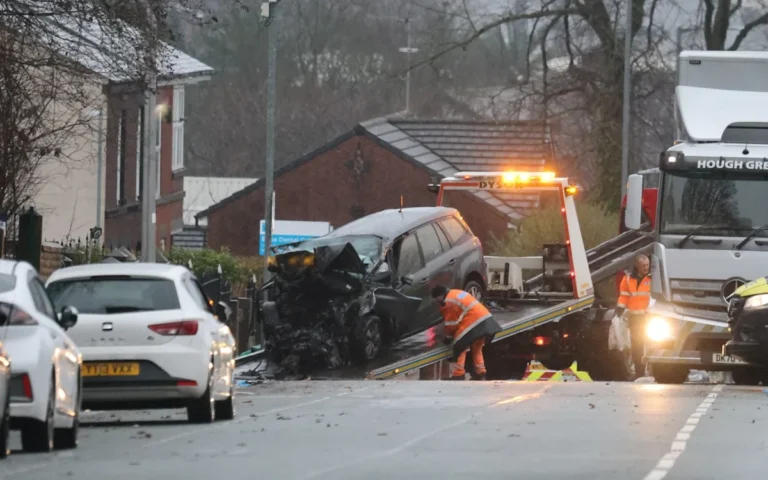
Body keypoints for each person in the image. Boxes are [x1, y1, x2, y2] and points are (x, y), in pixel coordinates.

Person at [431, 285, 502, 380]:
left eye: (436, 299)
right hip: (486, 320)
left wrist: (448, 338)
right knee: (477, 348)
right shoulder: (455, 292)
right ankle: (481, 373)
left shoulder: (448, 302)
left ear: (439, 296)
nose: (437, 302)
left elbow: (451, 324)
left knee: (460, 346)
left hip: (474, 322)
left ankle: (458, 374)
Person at [616, 254, 652, 379]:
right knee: (637, 346)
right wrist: (620, 309)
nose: (646, 268)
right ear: (637, 266)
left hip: (649, 317)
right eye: (643, 266)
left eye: (647, 265)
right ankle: (639, 372)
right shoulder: (627, 279)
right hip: (635, 318)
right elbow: (624, 296)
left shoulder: (653, 278)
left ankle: (651, 371)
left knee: (652, 344)